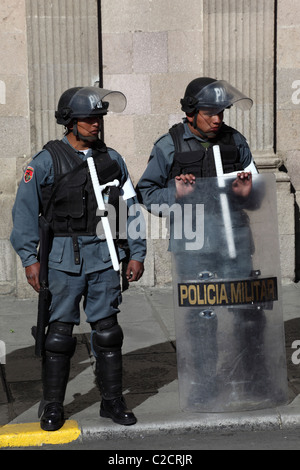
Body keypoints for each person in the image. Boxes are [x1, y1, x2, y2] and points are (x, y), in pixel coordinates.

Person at [10, 86, 146, 431]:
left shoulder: (113, 159)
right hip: (61, 260)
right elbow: (25, 213)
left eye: (98, 117)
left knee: (108, 332)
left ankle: (112, 400)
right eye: (88, 118)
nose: (96, 123)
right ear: (69, 122)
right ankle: (53, 405)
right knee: (58, 336)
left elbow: (128, 210)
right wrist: (29, 258)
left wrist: (136, 252)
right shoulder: (45, 162)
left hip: (105, 257)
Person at [136, 77, 268, 407]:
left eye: (221, 112)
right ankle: (205, 383)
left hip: (234, 241)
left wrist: (249, 192)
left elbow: (257, 191)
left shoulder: (235, 141)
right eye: (210, 112)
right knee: (200, 318)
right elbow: (147, 194)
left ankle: (250, 378)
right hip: (194, 247)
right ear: (192, 112)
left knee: (247, 311)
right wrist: (175, 194)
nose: (218, 119)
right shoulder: (169, 145)